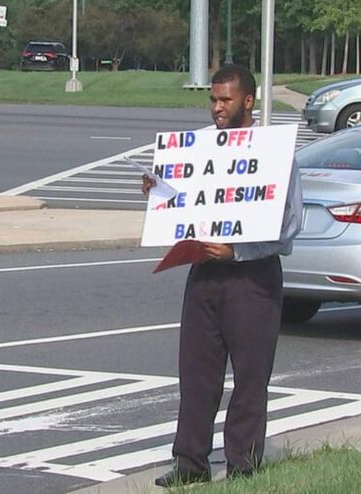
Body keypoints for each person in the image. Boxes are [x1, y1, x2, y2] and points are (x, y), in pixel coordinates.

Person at [141, 64, 303, 487]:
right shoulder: (197, 149)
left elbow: (289, 226)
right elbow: (185, 202)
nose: (217, 107)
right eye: (212, 99)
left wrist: (238, 250)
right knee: (196, 376)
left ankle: (243, 466)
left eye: (225, 99)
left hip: (253, 279)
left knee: (250, 378)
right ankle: (190, 464)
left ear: (248, 101)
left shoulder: (273, 153)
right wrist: (159, 192)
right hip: (203, 275)